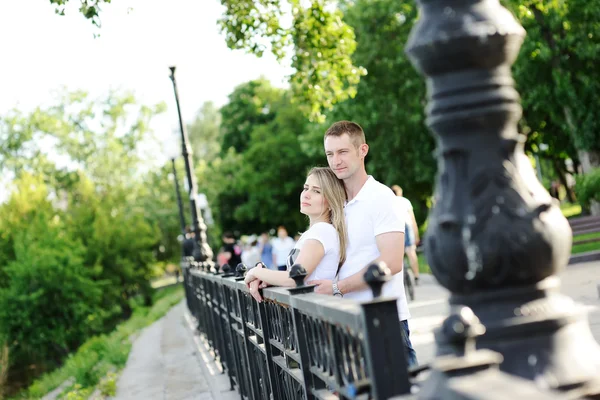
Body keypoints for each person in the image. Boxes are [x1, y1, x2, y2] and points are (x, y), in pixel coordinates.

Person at [308, 120, 417, 367]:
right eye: (330, 154)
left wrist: (337, 287)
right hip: (346, 321)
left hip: (383, 319)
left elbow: (391, 262)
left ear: (363, 150)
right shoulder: (335, 204)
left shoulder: (381, 198)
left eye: (343, 152)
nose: (336, 161)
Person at [244, 167, 348, 301]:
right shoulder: (316, 232)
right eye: (306, 188)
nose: (306, 194)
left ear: (331, 202)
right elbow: (295, 279)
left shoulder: (322, 231)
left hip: (313, 313)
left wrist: (255, 271)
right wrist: (268, 278)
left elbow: (294, 278)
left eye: (316, 191)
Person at [391, 185, 421, 284]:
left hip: (395, 226)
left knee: (398, 254)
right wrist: (416, 235)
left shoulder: (389, 201)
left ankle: (399, 279)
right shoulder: (405, 201)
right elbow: (412, 219)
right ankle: (416, 276)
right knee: (411, 251)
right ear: (400, 193)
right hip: (407, 225)